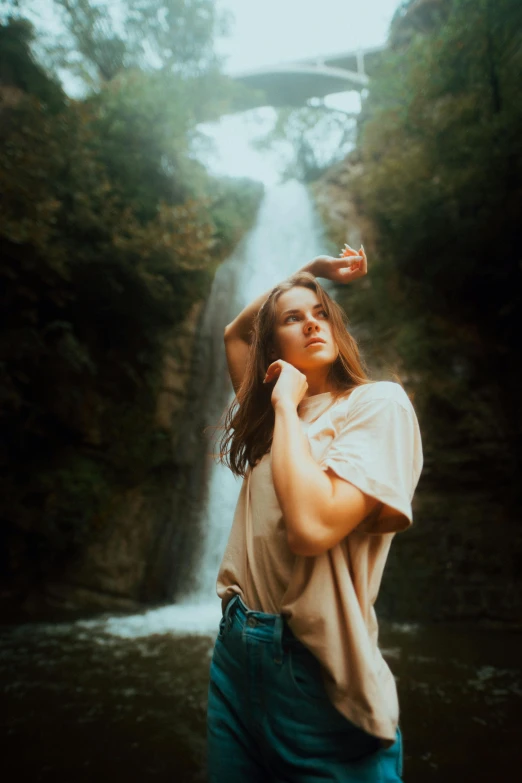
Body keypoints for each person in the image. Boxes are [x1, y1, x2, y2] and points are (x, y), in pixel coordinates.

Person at [206, 247, 423, 783]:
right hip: (234, 656)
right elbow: (236, 332)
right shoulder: (264, 418)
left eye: (321, 312)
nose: (310, 324)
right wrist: (312, 273)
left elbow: (312, 528)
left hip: (314, 671)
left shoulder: (376, 405)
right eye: (292, 318)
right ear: (272, 344)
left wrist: (285, 404)